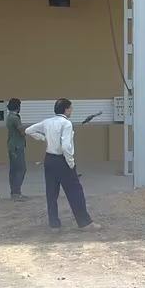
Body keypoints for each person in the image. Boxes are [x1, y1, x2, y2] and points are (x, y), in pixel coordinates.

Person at [25, 98, 101, 231]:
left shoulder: (47, 122)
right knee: (75, 191)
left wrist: (44, 138)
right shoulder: (66, 124)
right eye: (71, 108)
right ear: (66, 109)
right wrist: (71, 163)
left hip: (49, 159)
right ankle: (85, 223)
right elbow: (66, 146)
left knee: (51, 193)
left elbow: (28, 130)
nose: (72, 110)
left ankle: (54, 224)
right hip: (62, 161)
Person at [5, 98, 27, 201]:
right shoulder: (15, 118)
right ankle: (16, 193)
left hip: (12, 146)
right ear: (17, 107)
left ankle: (14, 192)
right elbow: (21, 131)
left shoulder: (9, 116)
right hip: (17, 146)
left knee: (13, 170)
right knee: (21, 169)